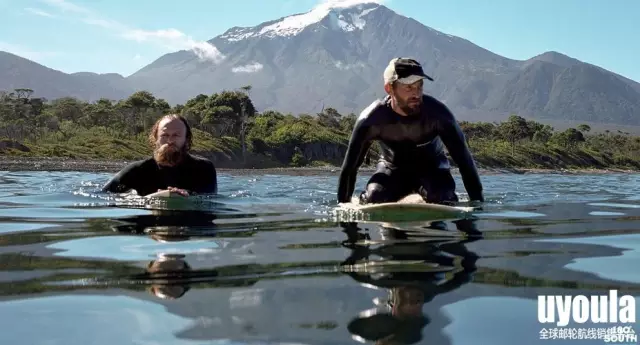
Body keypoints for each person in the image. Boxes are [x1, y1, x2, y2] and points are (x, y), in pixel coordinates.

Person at [337, 57, 484, 205]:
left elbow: (465, 162)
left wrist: (477, 206)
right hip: (391, 169)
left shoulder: (439, 115)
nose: (416, 93)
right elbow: (350, 168)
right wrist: (343, 206)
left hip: (433, 169)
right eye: (408, 87)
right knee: (374, 197)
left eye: (419, 86)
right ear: (389, 88)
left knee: (442, 196)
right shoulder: (371, 120)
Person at [102, 114, 218, 197]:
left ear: (186, 139)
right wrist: (135, 199)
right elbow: (103, 195)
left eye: (176, 135)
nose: (170, 140)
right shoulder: (137, 170)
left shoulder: (204, 169)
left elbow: (209, 199)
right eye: (164, 135)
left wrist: (187, 195)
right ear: (156, 138)